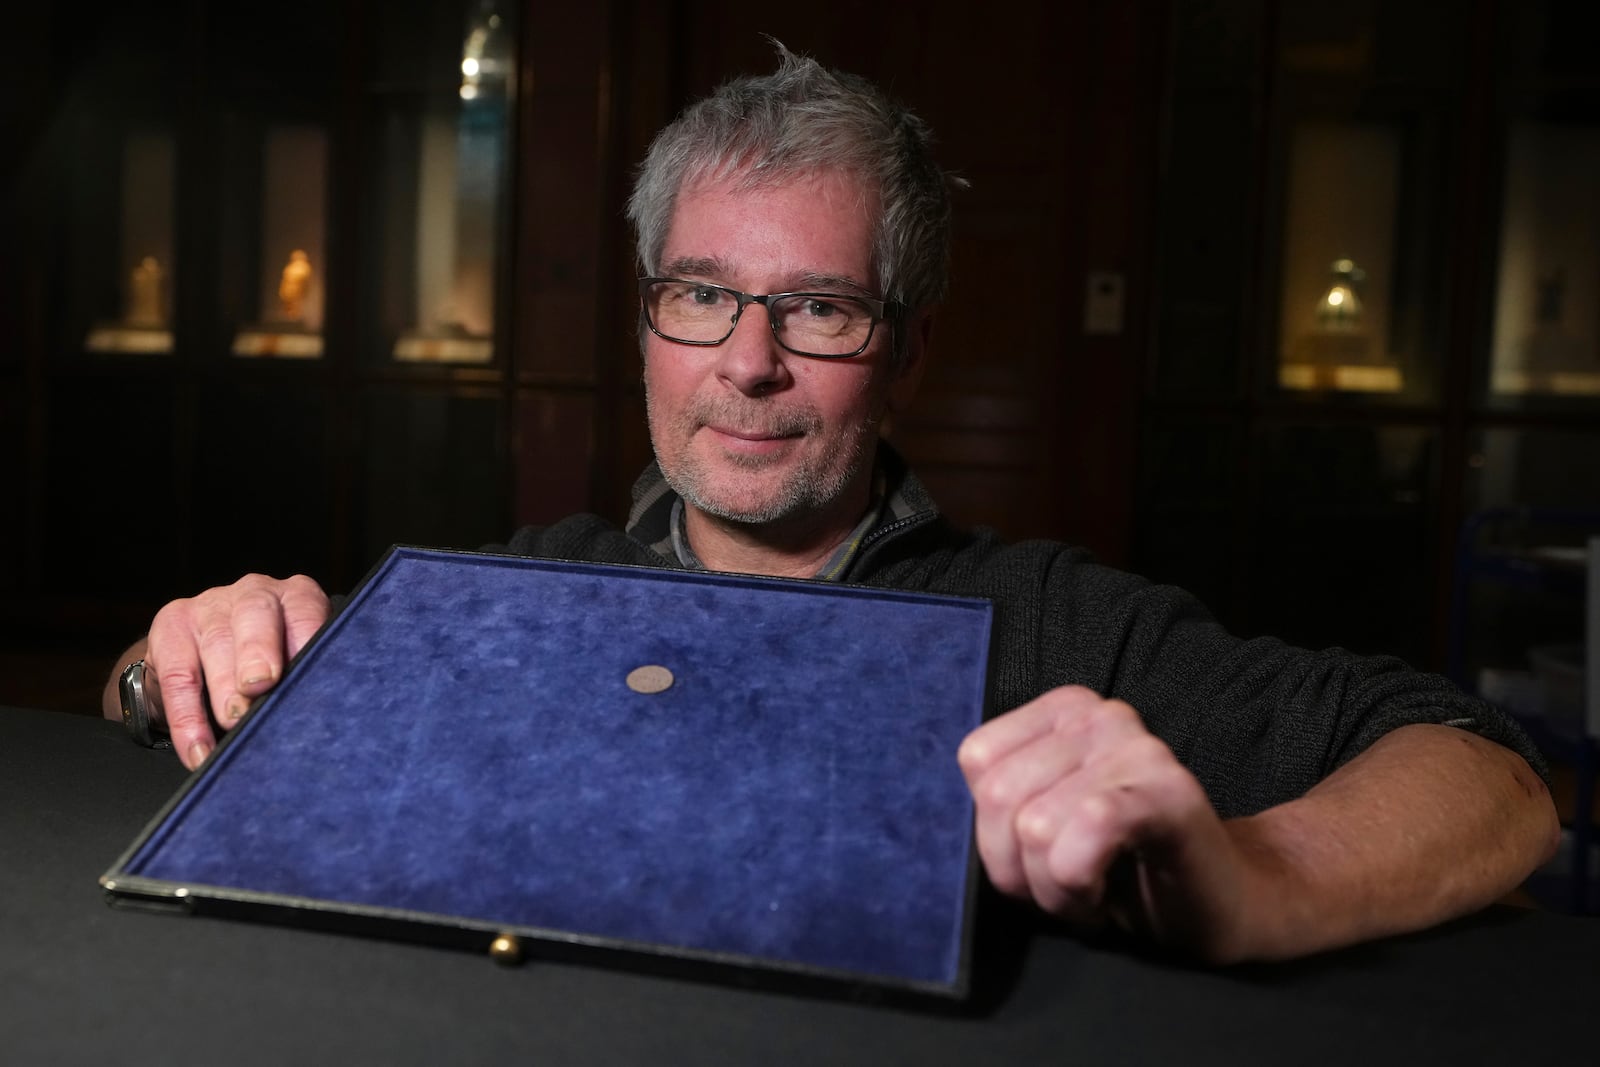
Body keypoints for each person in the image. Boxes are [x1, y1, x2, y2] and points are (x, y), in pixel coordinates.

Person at [102, 45, 1557, 965]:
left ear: (909, 351)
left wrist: (1258, 876)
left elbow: (1493, 779)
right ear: (646, 326)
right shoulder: (517, 595)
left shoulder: (1048, 624)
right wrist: (187, 646)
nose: (748, 363)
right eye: (702, 297)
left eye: (820, 309)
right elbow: (173, 711)